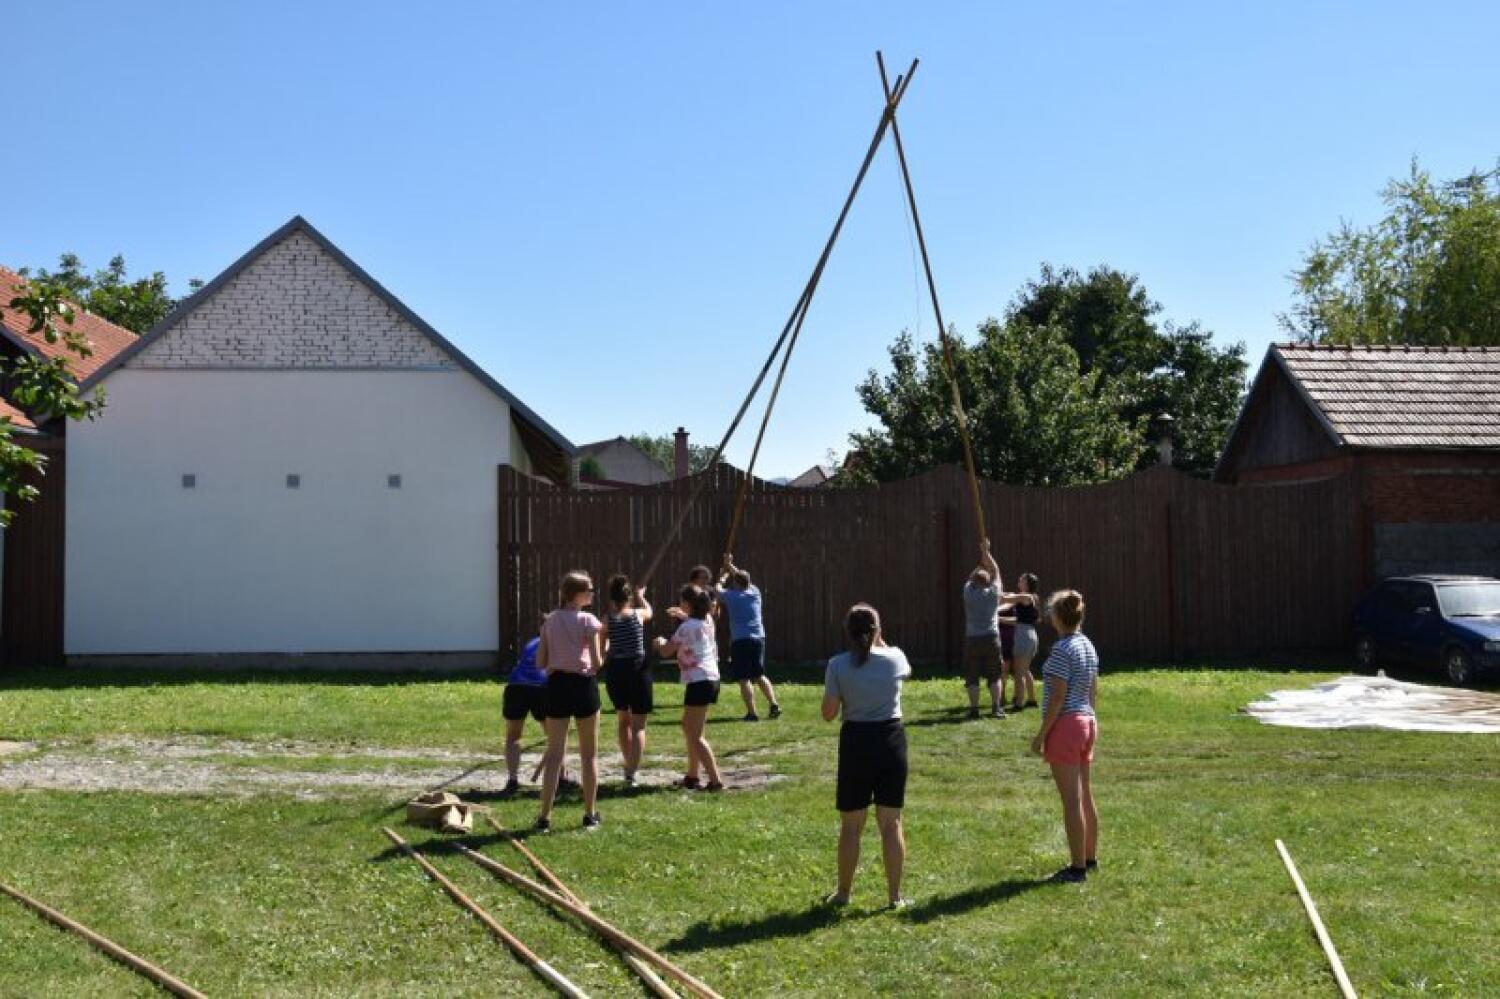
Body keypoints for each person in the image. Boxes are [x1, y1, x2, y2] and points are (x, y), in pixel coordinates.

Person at [821, 603, 911, 909]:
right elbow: (902, 668)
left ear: (847, 632)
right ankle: (894, 897)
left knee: (850, 826)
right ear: (878, 631)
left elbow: (828, 714)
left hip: (856, 742)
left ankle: (843, 893)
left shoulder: (837, 665)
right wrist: (879, 640)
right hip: (891, 741)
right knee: (891, 823)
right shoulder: (896, 658)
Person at [1030, 590, 1099, 883]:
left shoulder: (1061, 650)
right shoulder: (1087, 645)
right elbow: (1093, 689)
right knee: (1085, 795)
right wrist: (1092, 718)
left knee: (1071, 800)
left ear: (1057, 617)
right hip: (1087, 722)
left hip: (1067, 727)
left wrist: (1041, 735)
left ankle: (1077, 868)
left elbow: (1058, 697)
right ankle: (1089, 858)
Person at [536, 571, 605, 831]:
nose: (592, 594)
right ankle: (589, 814)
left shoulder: (550, 621)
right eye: (589, 589)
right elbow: (596, 663)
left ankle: (544, 817)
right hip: (583, 686)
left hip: (557, 686)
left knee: (554, 756)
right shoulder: (588, 620)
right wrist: (605, 649)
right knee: (589, 756)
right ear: (576, 594)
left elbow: (540, 662)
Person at [653, 584, 725, 792]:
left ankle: (715, 781)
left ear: (686, 603)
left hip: (700, 681)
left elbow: (666, 651)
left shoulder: (685, 628)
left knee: (695, 735)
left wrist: (659, 642)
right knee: (688, 727)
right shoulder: (707, 620)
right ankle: (692, 776)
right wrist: (684, 615)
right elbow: (694, 622)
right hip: (708, 679)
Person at [501, 617, 575, 795]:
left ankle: (512, 779)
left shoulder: (531, 642)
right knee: (556, 736)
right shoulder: (557, 643)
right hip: (541, 688)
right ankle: (561, 777)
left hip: (516, 686)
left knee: (513, 736)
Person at [717, 552, 781, 721]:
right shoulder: (755, 592)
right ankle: (774, 704)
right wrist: (729, 565)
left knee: (744, 678)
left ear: (736, 583)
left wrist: (722, 578)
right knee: (759, 675)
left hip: (741, 641)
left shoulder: (732, 596)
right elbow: (741, 578)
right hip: (758, 639)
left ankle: (752, 713)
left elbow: (717, 591)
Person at [602, 574, 653, 786]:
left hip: (616, 671)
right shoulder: (638, 614)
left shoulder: (607, 619)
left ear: (612, 598)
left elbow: (603, 648)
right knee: (639, 725)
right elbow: (650, 611)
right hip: (637, 670)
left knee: (623, 721)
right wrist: (642, 597)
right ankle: (631, 772)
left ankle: (628, 762)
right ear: (629, 597)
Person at [961, 539, 1006, 719]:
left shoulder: (968, 592)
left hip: (973, 639)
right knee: (995, 676)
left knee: (972, 677)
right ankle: (996, 708)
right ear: (988, 582)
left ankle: (974, 710)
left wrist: (981, 559)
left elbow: (971, 578)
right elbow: (996, 571)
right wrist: (987, 552)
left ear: (973, 581)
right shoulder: (994, 593)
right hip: (991, 638)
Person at [1000, 573, 1042, 712]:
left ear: (1027, 584)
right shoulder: (1031, 597)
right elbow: (1018, 621)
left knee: (1019, 673)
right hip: (1029, 635)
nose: (1019, 580)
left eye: (1022, 580)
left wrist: (993, 592)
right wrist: (998, 618)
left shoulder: (1025, 597)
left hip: (1023, 637)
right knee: (1025, 670)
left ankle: (1018, 703)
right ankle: (1032, 700)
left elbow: (1005, 599)